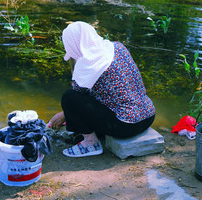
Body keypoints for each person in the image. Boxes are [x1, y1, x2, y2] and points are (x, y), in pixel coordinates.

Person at [49, 21, 156, 157]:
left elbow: (77, 99)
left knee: (69, 97)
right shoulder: (117, 47)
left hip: (126, 125)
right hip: (148, 115)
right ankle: (95, 135)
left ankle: (90, 144)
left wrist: (64, 114)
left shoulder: (86, 65)